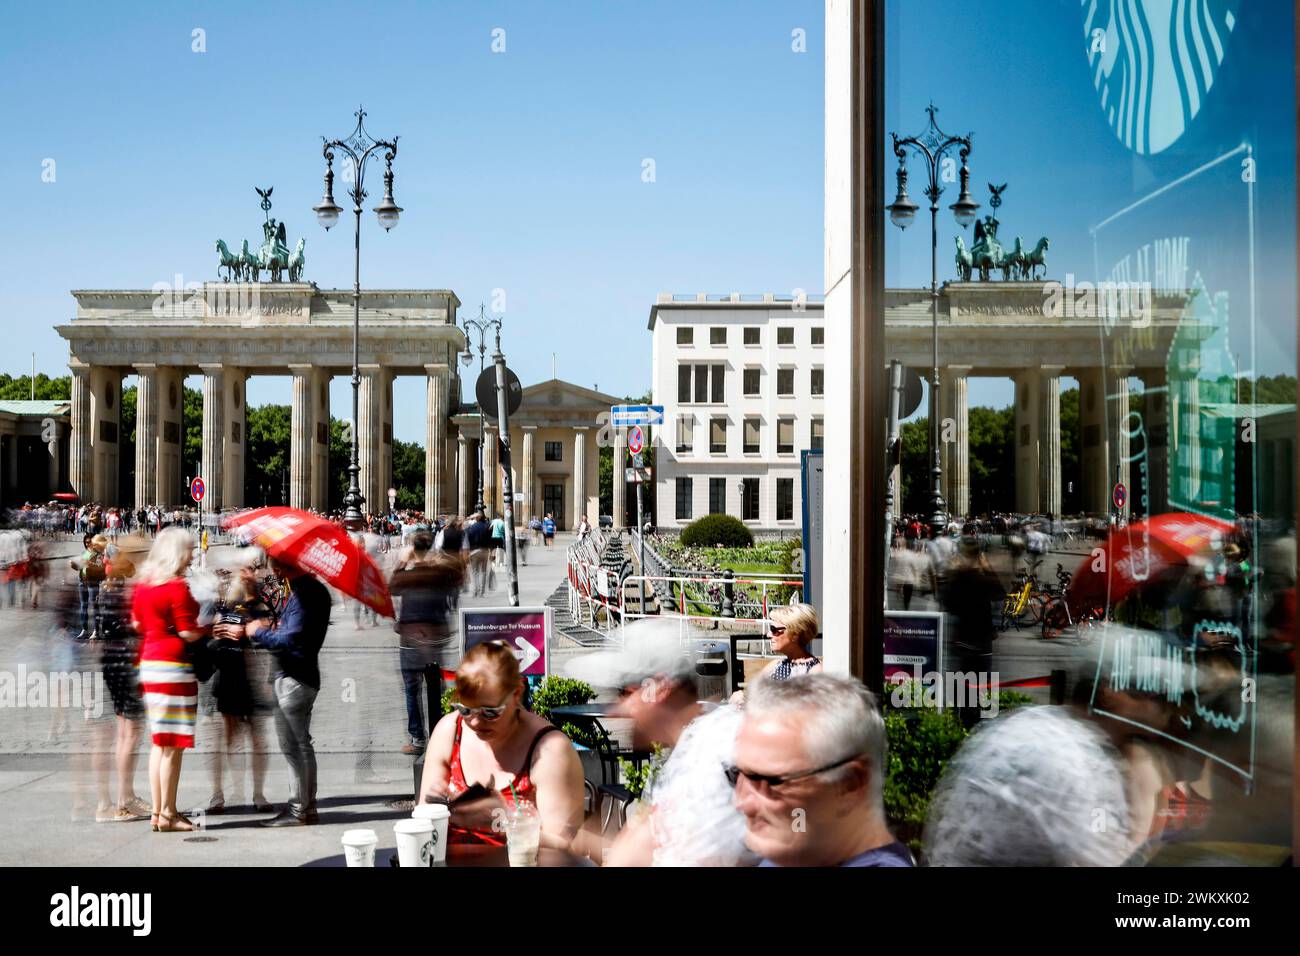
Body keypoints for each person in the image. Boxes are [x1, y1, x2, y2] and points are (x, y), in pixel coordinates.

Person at [567, 620, 757, 867]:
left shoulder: (726, 742)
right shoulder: (677, 754)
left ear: (657, 688)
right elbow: (635, 852)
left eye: (623, 694)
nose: (615, 711)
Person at [732, 673, 913, 867]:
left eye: (771, 781)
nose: (741, 804)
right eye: (736, 774)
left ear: (849, 783)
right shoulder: (800, 850)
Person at [417, 641, 585, 848]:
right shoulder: (450, 732)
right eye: (466, 710)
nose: (476, 722)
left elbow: (563, 846)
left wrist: (501, 824)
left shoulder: (549, 750)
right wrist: (436, 809)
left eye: (490, 712)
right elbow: (422, 828)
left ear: (516, 694)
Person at [217, 558, 332, 826]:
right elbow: (293, 632)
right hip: (300, 675)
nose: (276, 572)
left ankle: (298, 809)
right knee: (300, 744)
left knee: (295, 746)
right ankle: (307, 806)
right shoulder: (309, 590)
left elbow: (290, 639)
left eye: (279, 566)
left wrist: (257, 632)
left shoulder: (305, 593)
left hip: (295, 677)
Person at [130, 526, 209, 832]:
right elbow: (189, 631)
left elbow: (137, 623)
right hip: (174, 666)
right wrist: (210, 628)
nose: (192, 555)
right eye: (189, 549)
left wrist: (157, 628)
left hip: (149, 663)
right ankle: (169, 814)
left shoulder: (144, 585)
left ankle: (157, 812)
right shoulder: (177, 587)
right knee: (173, 745)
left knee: (158, 743)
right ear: (177, 552)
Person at [203, 561, 273, 814]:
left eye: (253, 569)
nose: (250, 574)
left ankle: (257, 794)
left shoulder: (258, 605)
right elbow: (207, 632)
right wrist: (218, 631)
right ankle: (218, 794)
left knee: (256, 738)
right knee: (225, 739)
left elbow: (267, 632)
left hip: (251, 677)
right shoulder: (223, 604)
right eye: (245, 569)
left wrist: (248, 628)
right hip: (227, 676)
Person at [389, 532, 464, 756]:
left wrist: (404, 562)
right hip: (435, 635)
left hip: (411, 638)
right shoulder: (440, 572)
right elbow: (458, 579)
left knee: (412, 690)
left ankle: (418, 739)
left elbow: (392, 586)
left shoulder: (407, 575)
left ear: (413, 547)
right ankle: (443, 734)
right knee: (438, 688)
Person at [464, 512, 493, 597]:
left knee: (475, 572)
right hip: (484, 551)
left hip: (474, 551)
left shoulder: (471, 527)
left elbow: (467, 538)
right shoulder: (487, 527)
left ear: (476, 519)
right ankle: (482, 592)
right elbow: (490, 540)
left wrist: (469, 518)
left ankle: (476, 590)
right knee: (483, 572)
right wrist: (491, 551)